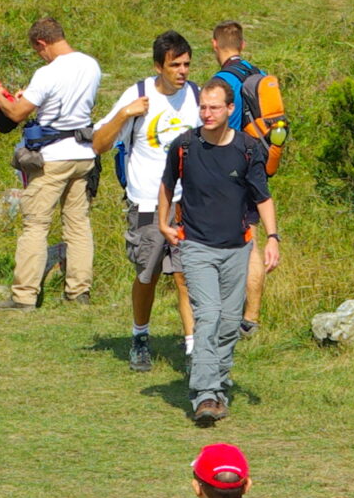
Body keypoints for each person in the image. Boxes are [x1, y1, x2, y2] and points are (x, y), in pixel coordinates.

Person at [161, 77, 280, 425]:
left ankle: (218, 383)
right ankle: (205, 395)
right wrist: (163, 223)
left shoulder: (247, 149)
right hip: (196, 246)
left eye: (214, 107)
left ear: (230, 109)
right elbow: (167, 184)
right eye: (203, 107)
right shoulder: (184, 146)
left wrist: (273, 238)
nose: (207, 113)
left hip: (236, 248)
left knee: (230, 323)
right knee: (208, 315)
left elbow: (263, 196)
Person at [93, 31, 200, 373]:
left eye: (186, 64)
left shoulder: (197, 96)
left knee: (187, 277)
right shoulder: (138, 95)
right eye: (174, 65)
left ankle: (193, 349)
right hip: (146, 203)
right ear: (158, 66)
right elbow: (98, 144)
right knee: (147, 275)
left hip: (188, 204)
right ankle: (140, 337)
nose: (182, 71)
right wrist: (125, 113)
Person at [0, 17, 101, 311]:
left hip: (52, 158)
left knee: (35, 225)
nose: (41, 56)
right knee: (77, 224)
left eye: (39, 51)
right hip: (84, 154)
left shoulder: (47, 73)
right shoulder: (91, 65)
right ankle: (79, 292)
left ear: (42, 43)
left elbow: (16, 114)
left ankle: (24, 295)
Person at [204, 21, 278, 340]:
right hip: (258, 164)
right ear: (243, 46)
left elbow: (219, 127)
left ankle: (225, 314)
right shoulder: (255, 73)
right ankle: (251, 317)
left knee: (225, 244)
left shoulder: (222, 81)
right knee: (251, 241)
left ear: (214, 45)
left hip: (231, 166)